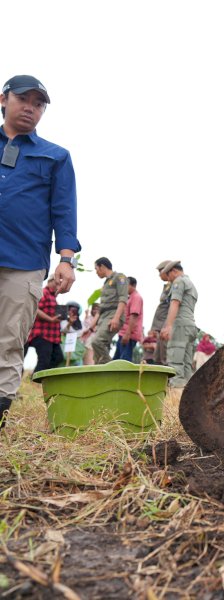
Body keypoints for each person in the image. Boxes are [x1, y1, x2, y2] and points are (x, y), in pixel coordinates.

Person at [0, 75, 79, 427]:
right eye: (24, 99)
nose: (31, 107)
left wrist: (66, 259)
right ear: (3, 100)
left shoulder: (55, 157)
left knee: (9, 339)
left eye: (39, 103)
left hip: (23, 262)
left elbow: (64, 211)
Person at [160, 261, 198, 387]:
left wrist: (168, 326)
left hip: (180, 326)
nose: (168, 279)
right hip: (191, 326)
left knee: (175, 364)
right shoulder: (191, 284)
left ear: (174, 271)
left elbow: (175, 303)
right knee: (187, 366)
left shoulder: (178, 282)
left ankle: (176, 400)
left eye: (168, 275)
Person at [91, 257, 128, 365]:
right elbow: (101, 308)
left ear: (102, 266)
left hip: (113, 315)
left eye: (96, 269)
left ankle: (110, 370)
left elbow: (123, 299)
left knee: (97, 342)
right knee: (98, 349)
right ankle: (100, 373)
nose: (96, 272)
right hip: (103, 317)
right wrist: (90, 327)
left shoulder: (119, 277)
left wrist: (116, 318)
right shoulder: (106, 283)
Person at [25, 276, 64, 374]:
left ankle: (37, 377)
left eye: (60, 285)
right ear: (50, 281)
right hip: (42, 333)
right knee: (44, 360)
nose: (58, 287)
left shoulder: (53, 297)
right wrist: (50, 319)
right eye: (56, 284)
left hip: (52, 336)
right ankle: (36, 381)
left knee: (58, 357)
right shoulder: (44, 293)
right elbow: (36, 309)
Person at [114, 276, 143, 362]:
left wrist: (127, 334)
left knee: (124, 361)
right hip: (123, 333)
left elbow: (133, 316)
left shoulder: (136, 297)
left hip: (128, 334)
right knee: (117, 360)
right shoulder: (130, 297)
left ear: (133, 285)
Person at [150, 260, 172, 365]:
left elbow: (172, 307)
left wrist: (167, 326)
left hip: (167, 326)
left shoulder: (175, 285)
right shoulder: (168, 286)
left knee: (165, 356)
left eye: (160, 271)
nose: (159, 275)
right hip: (161, 326)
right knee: (158, 356)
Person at [60, 300, 84, 366]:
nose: (71, 312)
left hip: (77, 348)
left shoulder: (80, 323)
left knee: (77, 363)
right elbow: (63, 330)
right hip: (64, 346)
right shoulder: (63, 321)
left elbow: (81, 333)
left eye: (74, 310)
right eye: (69, 309)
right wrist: (70, 323)